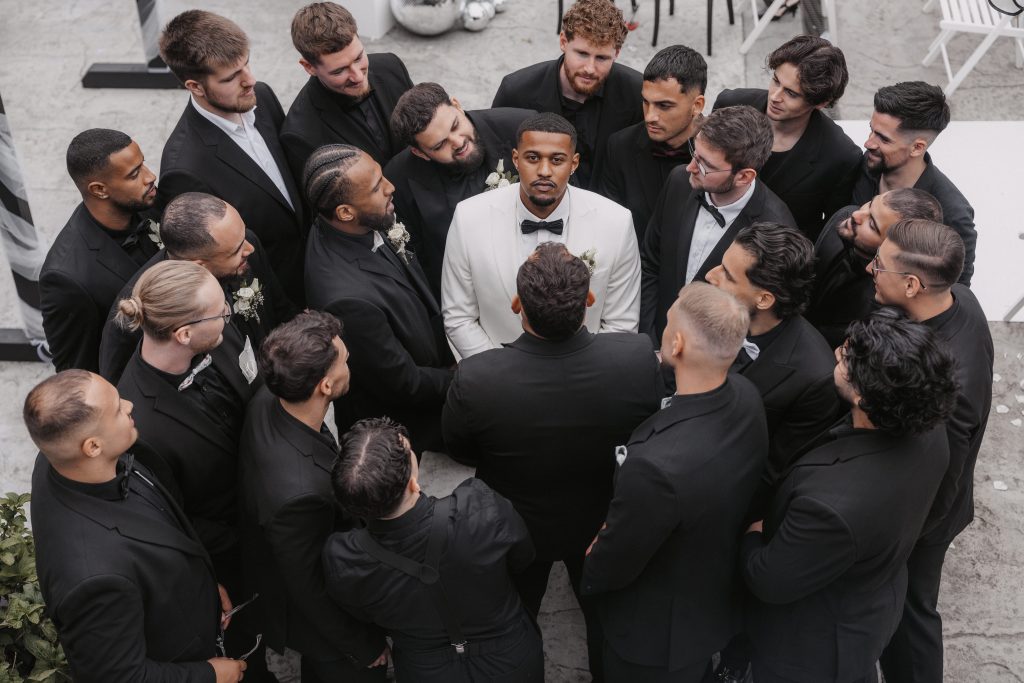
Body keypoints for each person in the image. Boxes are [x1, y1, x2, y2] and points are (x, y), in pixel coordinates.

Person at [443, 242, 664, 680]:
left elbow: (460, 449)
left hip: (517, 525)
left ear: (516, 305)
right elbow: (646, 434)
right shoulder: (637, 359)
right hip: (601, 521)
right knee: (605, 622)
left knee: (516, 620)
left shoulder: (477, 378)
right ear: (590, 300)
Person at [741, 308, 957, 683]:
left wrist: (754, 533)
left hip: (811, 649)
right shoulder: (931, 432)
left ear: (864, 398)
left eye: (846, 358)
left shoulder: (830, 506)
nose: (838, 352)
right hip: (872, 601)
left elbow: (768, 579)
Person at [581, 282, 769, 682]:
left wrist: (594, 562)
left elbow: (615, 561)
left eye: (668, 325)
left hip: (653, 638)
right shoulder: (747, 396)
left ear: (678, 344)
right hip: (708, 601)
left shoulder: (655, 468)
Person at [27, 371, 246, 682]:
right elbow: (119, 676)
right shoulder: (93, 580)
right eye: (118, 409)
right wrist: (211, 674)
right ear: (92, 447)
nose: (130, 405)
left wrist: (202, 586)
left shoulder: (62, 460)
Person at [114, 260, 270, 680]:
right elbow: (176, 517)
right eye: (220, 312)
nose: (229, 314)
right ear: (183, 334)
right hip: (232, 549)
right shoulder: (139, 425)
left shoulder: (216, 335)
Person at [865, 220, 994, 683]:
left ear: (912, 285)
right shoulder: (959, 297)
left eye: (879, 264)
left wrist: (908, 538)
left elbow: (946, 475)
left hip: (925, 518)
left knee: (911, 615)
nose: (870, 268)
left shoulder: (949, 377)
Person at [323, 418, 544, 682]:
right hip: (511, 659)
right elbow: (523, 557)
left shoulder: (344, 559)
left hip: (424, 671)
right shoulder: (479, 508)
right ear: (412, 483)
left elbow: (361, 614)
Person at [239, 311, 389, 682]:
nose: (349, 362)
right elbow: (309, 588)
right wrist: (361, 646)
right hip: (326, 627)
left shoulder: (270, 395)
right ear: (324, 385)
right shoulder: (299, 496)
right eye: (344, 361)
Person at [443, 112, 641, 359]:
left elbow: (621, 324)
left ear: (574, 163)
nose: (544, 171)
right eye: (533, 158)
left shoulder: (616, 222)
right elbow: (459, 317)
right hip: (498, 373)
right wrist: (499, 372)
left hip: (584, 374)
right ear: (516, 159)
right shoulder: (468, 217)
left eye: (557, 160)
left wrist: (578, 373)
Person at [302, 144, 453, 453]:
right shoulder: (348, 300)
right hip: (413, 419)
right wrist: (464, 378)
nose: (390, 187)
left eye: (382, 176)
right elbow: (405, 383)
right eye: (376, 187)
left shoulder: (355, 223)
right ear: (345, 212)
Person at [158, 9, 307, 304]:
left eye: (247, 64)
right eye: (231, 78)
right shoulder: (184, 170)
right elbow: (216, 265)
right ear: (195, 87)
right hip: (276, 295)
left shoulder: (261, 96)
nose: (250, 80)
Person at [99, 192, 296, 383]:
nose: (249, 248)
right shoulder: (145, 310)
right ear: (199, 266)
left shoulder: (242, 245)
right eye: (236, 251)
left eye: (244, 234)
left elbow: (281, 309)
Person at [640, 105, 794, 340]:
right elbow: (651, 262)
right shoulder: (679, 181)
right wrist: (649, 339)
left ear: (744, 176)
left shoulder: (775, 227)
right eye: (694, 153)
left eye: (706, 166)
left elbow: (759, 318)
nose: (690, 167)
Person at [706, 222, 838, 489]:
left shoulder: (815, 379)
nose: (710, 275)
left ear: (764, 300)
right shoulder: (716, 309)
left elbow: (772, 472)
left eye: (728, 275)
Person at [385, 82, 534, 296]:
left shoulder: (520, 126)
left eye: (455, 126)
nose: (458, 142)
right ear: (420, 153)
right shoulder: (399, 179)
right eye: (439, 145)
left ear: (456, 105)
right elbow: (419, 262)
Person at [714, 36, 861, 241]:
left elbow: (829, 231)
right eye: (776, 81)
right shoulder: (731, 103)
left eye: (791, 93)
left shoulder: (840, 155)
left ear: (821, 102)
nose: (775, 97)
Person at [40, 129, 160, 372]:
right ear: (99, 190)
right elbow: (78, 373)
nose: (150, 177)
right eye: (134, 174)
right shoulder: (67, 279)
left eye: (143, 164)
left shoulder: (150, 203)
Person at [491, 0, 642, 190]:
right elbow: (496, 159)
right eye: (582, 54)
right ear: (563, 42)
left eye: (601, 58)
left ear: (617, 53)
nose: (590, 68)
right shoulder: (516, 92)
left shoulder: (637, 94)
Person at [851, 81, 976, 285]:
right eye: (871, 130)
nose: (868, 143)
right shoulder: (870, 163)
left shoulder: (953, 215)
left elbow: (954, 289)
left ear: (917, 148)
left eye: (883, 139)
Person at [282, 2, 413, 177]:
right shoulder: (301, 136)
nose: (358, 77)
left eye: (358, 58)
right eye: (339, 71)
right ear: (309, 67)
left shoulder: (391, 66)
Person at [807, 188, 943, 348]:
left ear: (890, 247)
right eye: (871, 204)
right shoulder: (846, 216)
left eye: (872, 224)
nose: (856, 215)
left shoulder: (880, 311)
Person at [599, 44, 707, 241]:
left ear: (697, 105)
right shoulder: (620, 147)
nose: (650, 117)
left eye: (664, 106)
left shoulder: (721, 155)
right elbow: (608, 224)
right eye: (646, 102)